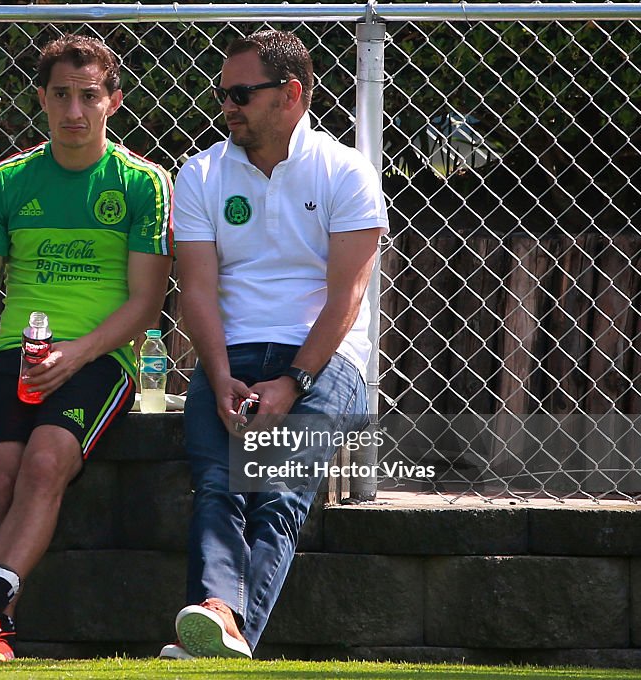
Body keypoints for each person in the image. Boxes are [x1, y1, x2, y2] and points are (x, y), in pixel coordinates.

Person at [0, 34, 173, 662]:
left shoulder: (143, 184)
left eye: (89, 96)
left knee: (46, 463)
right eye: (62, 96)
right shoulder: (5, 182)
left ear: (114, 101)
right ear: (41, 100)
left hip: (100, 360)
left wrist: (79, 353)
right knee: (1, 483)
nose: (75, 110)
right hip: (14, 357)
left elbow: (146, 305)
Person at [161, 30, 388, 659]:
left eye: (241, 93)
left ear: (291, 93)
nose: (227, 106)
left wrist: (292, 382)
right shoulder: (201, 172)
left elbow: (347, 298)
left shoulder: (347, 172)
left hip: (322, 361)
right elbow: (198, 292)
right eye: (222, 93)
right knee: (218, 485)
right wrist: (217, 375)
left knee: (277, 492)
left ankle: (220, 621)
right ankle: (219, 620)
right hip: (227, 355)